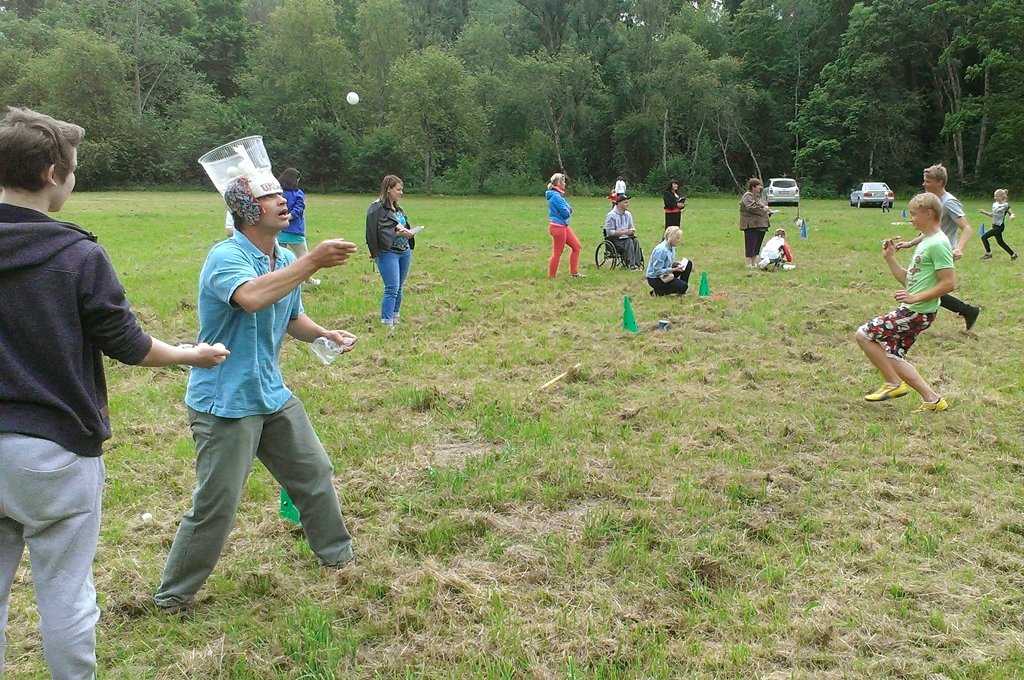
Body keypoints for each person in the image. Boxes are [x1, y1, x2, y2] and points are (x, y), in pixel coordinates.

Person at [0, 106, 229, 679]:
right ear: (54, 173)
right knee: (66, 597)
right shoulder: (77, 255)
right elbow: (128, 344)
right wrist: (190, 354)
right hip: (55, 454)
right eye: (73, 169)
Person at [154, 160, 359, 613]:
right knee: (216, 505)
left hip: (270, 394)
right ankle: (172, 598)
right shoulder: (225, 257)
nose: (282, 201)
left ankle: (338, 559)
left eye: (279, 195)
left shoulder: (282, 258)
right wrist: (312, 261)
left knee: (314, 473)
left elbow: (290, 317)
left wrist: (324, 333)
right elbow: (251, 298)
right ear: (248, 210)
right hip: (225, 403)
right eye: (270, 197)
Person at [855, 193, 954, 411]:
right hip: (916, 310)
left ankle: (893, 383)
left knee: (863, 335)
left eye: (913, 214)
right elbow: (909, 280)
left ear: (928, 214)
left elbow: (949, 284)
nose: (910, 219)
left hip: (916, 311)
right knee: (892, 354)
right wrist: (890, 258)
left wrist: (915, 298)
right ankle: (933, 401)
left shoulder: (938, 244)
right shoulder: (927, 241)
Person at [897, 163, 981, 330]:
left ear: (939, 182)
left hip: (943, 251)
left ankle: (965, 311)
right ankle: (967, 311)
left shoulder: (948, 202)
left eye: (927, 181)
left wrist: (959, 249)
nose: (924, 184)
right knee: (929, 286)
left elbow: (966, 228)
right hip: (932, 248)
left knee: (929, 286)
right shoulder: (933, 202)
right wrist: (909, 244)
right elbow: (929, 231)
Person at [365, 175, 417, 327]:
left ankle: (395, 317)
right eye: (398, 189)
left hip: (404, 251)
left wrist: (408, 232)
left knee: (399, 287)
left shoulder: (398, 208)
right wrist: (398, 233)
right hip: (388, 253)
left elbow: (400, 225)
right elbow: (376, 232)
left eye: (402, 189)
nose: (401, 193)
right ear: (389, 189)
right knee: (392, 288)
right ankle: (386, 322)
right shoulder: (376, 208)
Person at [277, 167, 320, 285]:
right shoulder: (298, 193)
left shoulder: (277, 193)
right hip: (294, 230)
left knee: (277, 258)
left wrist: (281, 219)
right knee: (303, 257)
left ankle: (277, 280)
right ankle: (307, 279)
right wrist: (288, 217)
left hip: (278, 230)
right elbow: (299, 209)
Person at [545, 172, 584, 278]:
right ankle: (551, 277)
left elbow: (568, 208)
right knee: (557, 252)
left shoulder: (558, 196)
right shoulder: (556, 197)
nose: (565, 184)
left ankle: (574, 273)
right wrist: (568, 210)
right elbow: (566, 212)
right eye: (564, 181)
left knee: (576, 246)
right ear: (559, 183)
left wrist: (568, 209)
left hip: (563, 226)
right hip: (558, 227)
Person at [646, 226, 693, 296]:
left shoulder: (672, 247)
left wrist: (673, 264)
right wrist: (673, 269)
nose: (679, 240)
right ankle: (658, 292)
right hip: (655, 278)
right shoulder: (661, 250)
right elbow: (657, 271)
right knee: (683, 286)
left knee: (688, 263)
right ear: (671, 238)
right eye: (677, 238)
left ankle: (680, 290)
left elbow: (665, 264)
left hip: (666, 273)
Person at [739, 177, 773, 268]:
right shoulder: (747, 196)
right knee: (750, 242)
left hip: (760, 224)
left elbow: (762, 206)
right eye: (758, 186)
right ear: (753, 187)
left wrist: (768, 211)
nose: (760, 188)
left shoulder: (758, 197)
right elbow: (751, 207)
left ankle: (754, 262)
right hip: (750, 224)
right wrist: (764, 209)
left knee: (757, 243)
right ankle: (748, 263)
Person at [603, 193, 643, 269]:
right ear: (619, 203)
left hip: (627, 237)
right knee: (629, 242)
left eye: (627, 202)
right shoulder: (611, 215)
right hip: (615, 240)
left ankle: (637, 263)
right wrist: (622, 232)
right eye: (625, 202)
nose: (627, 204)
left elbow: (631, 226)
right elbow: (609, 232)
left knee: (635, 241)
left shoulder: (628, 214)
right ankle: (631, 265)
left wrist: (632, 230)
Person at [979, 188, 1017, 261]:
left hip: (999, 227)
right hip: (994, 225)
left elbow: (1011, 213)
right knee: (1000, 242)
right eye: (994, 196)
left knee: (984, 237)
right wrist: (984, 212)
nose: (995, 198)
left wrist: (1012, 216)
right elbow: (992, 215)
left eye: (997, 196)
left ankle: (988, 254)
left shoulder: (1005, 205)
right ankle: (1013, 254)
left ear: (1002, 197)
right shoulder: (994, 204)